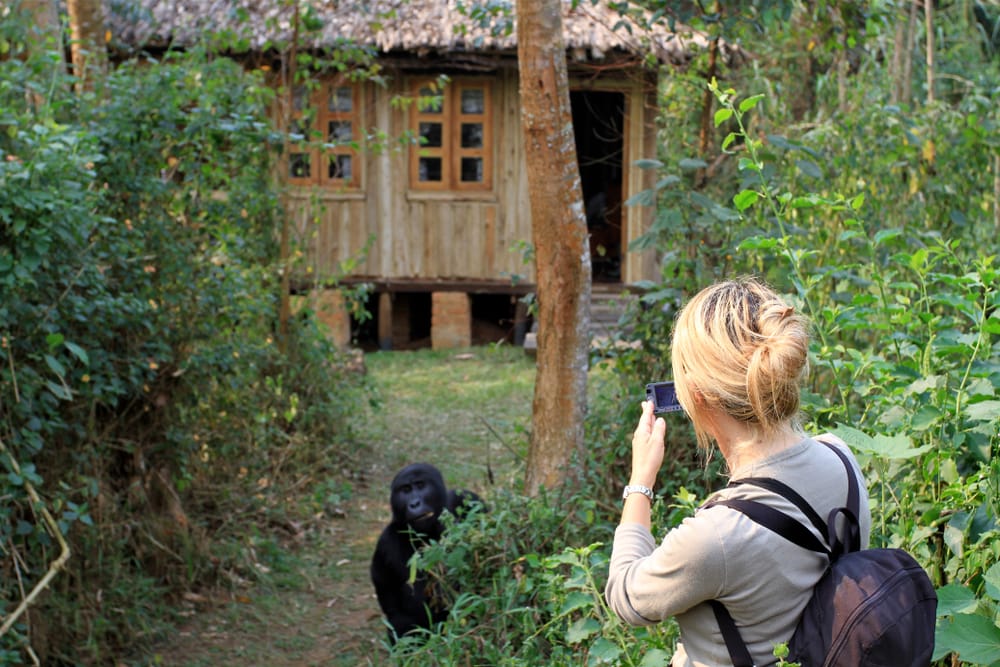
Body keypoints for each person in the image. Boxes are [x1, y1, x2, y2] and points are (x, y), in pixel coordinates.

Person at [604, 277, 872, 667]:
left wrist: (640, 482)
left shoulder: (716, 537)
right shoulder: (842, 457)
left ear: (695, 395)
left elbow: (626, 599)